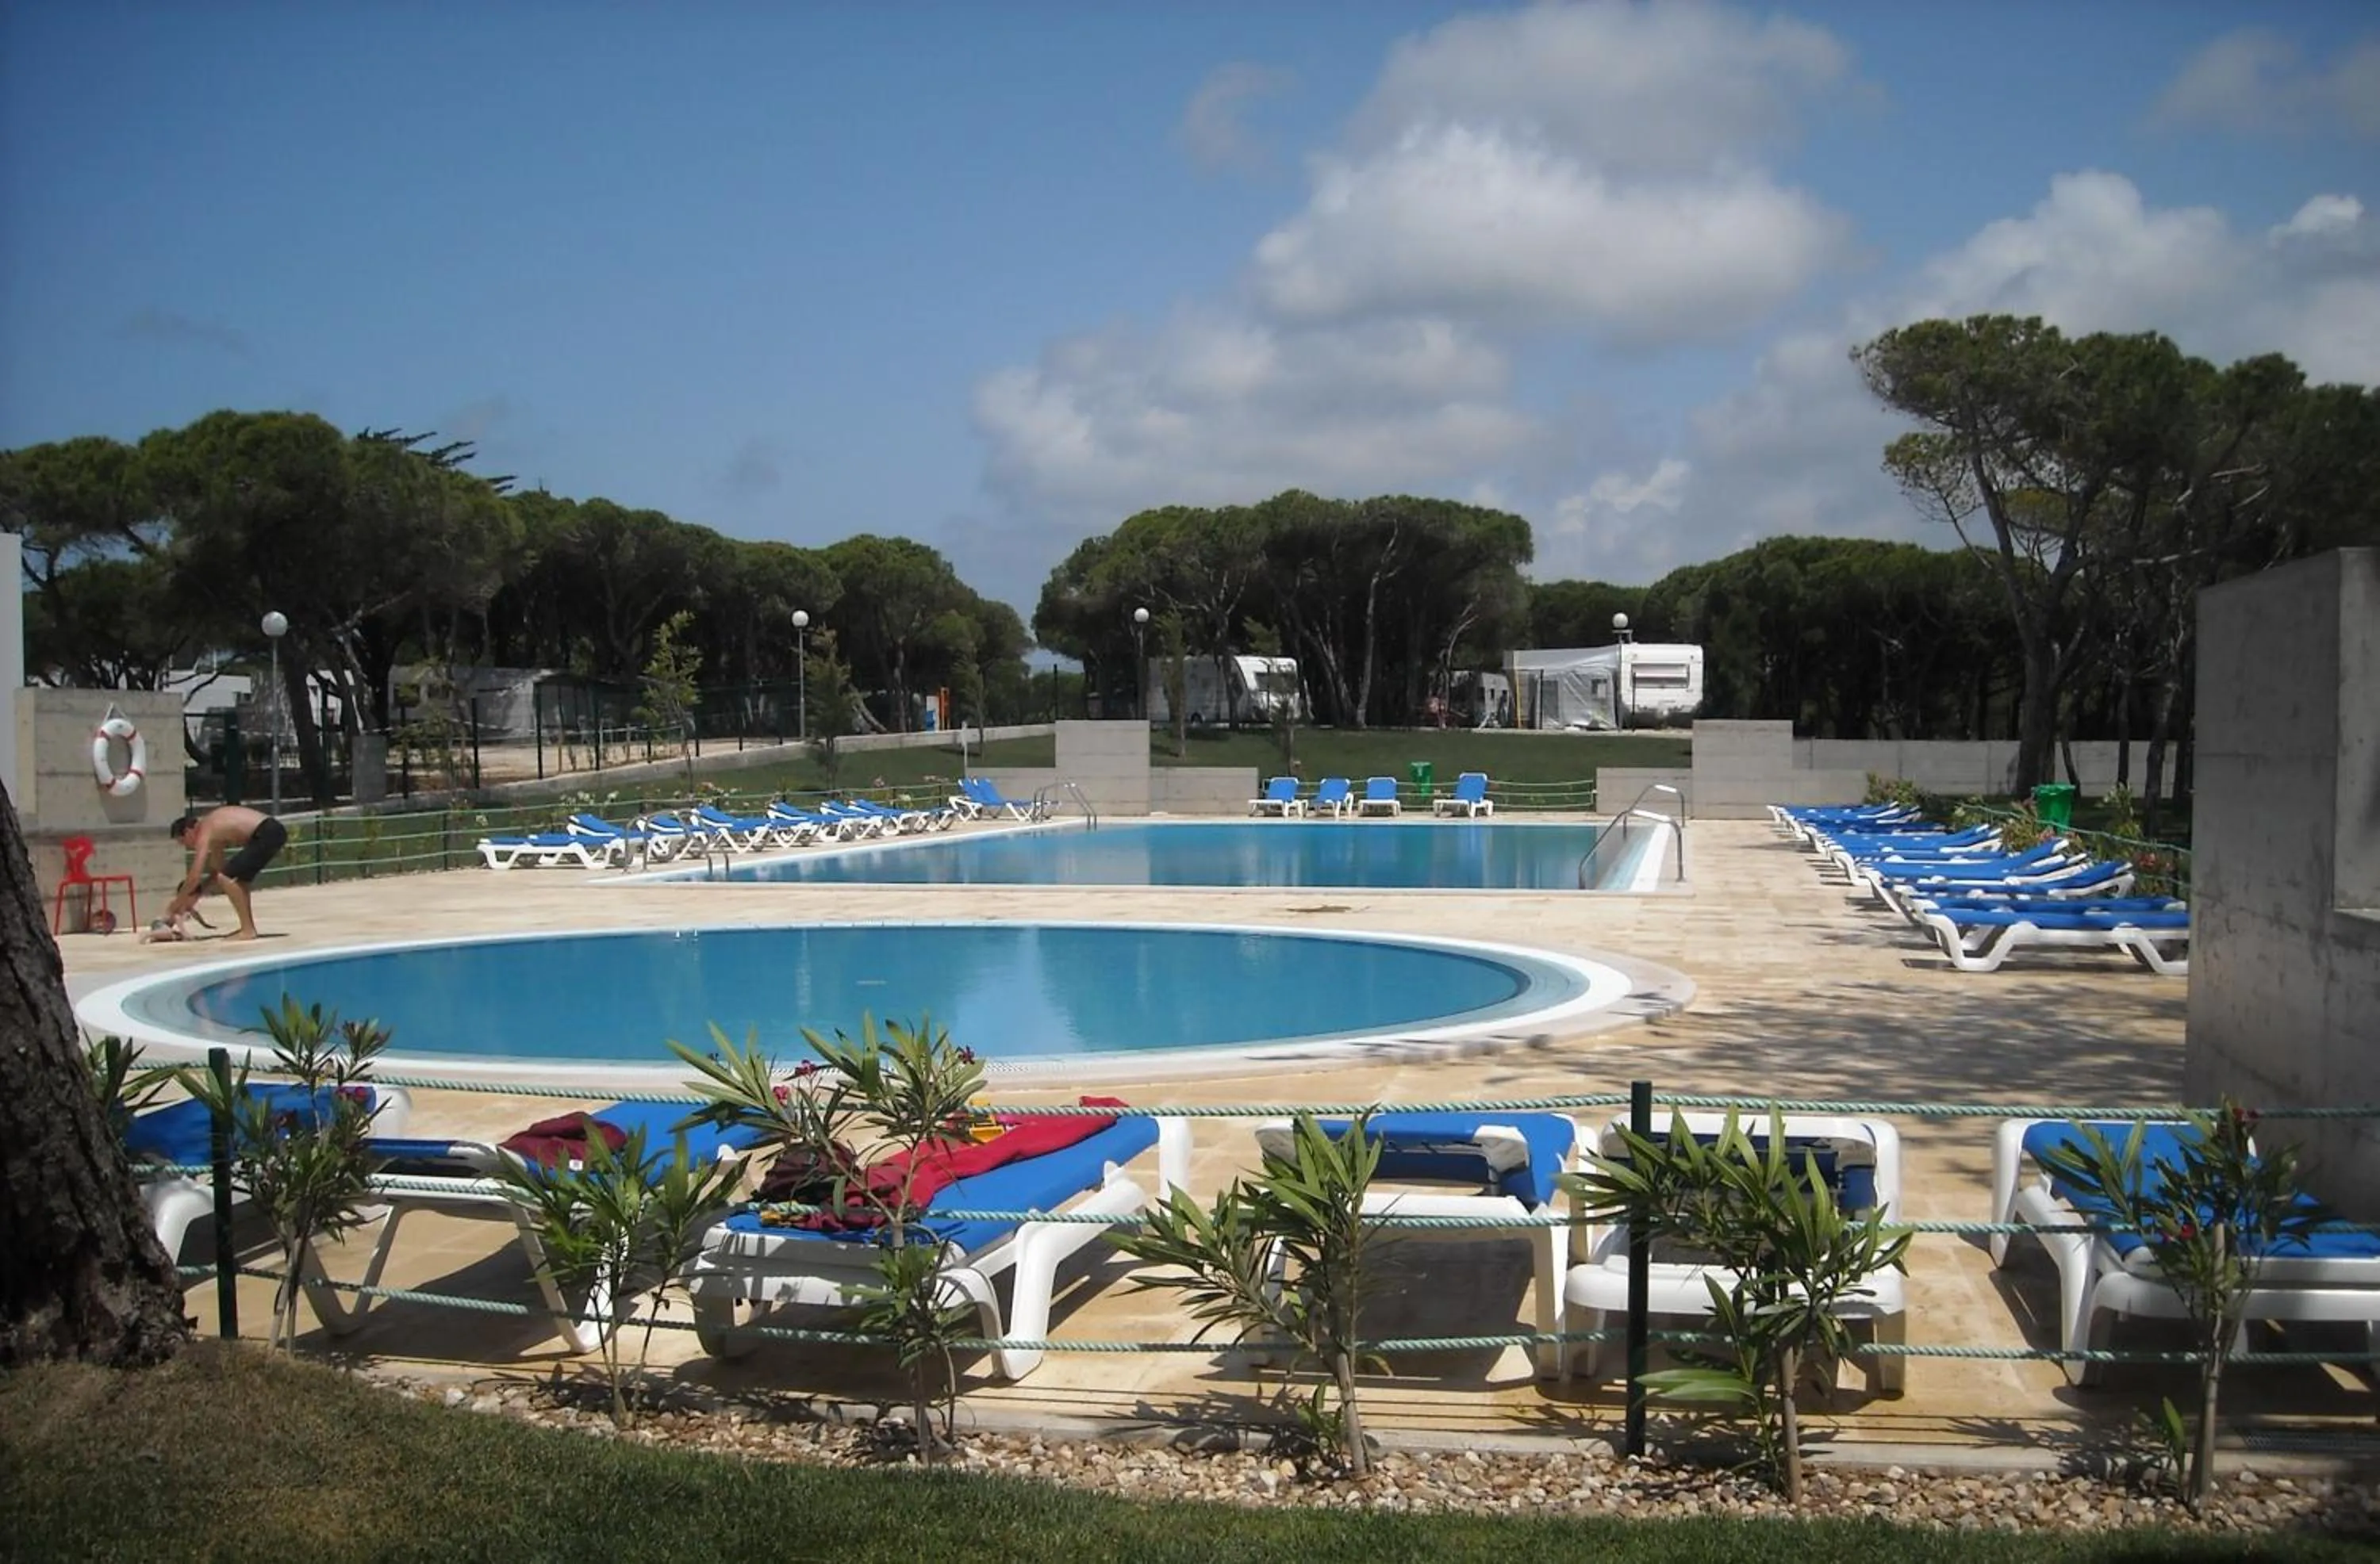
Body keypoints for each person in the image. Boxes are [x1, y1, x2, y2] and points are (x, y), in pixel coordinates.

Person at [167, 804, 288, 941]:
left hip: (267, 833)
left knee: (227, 878)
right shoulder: (215, 831)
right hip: (271, 832)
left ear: (189, 831)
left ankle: (248, 930)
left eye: (184, 842)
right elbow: (216, 871)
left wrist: (175, 906)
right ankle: (248, 928)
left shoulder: (205, 828)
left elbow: (195, 876)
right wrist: (198, 893)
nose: (188, 847)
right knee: (238, 880)